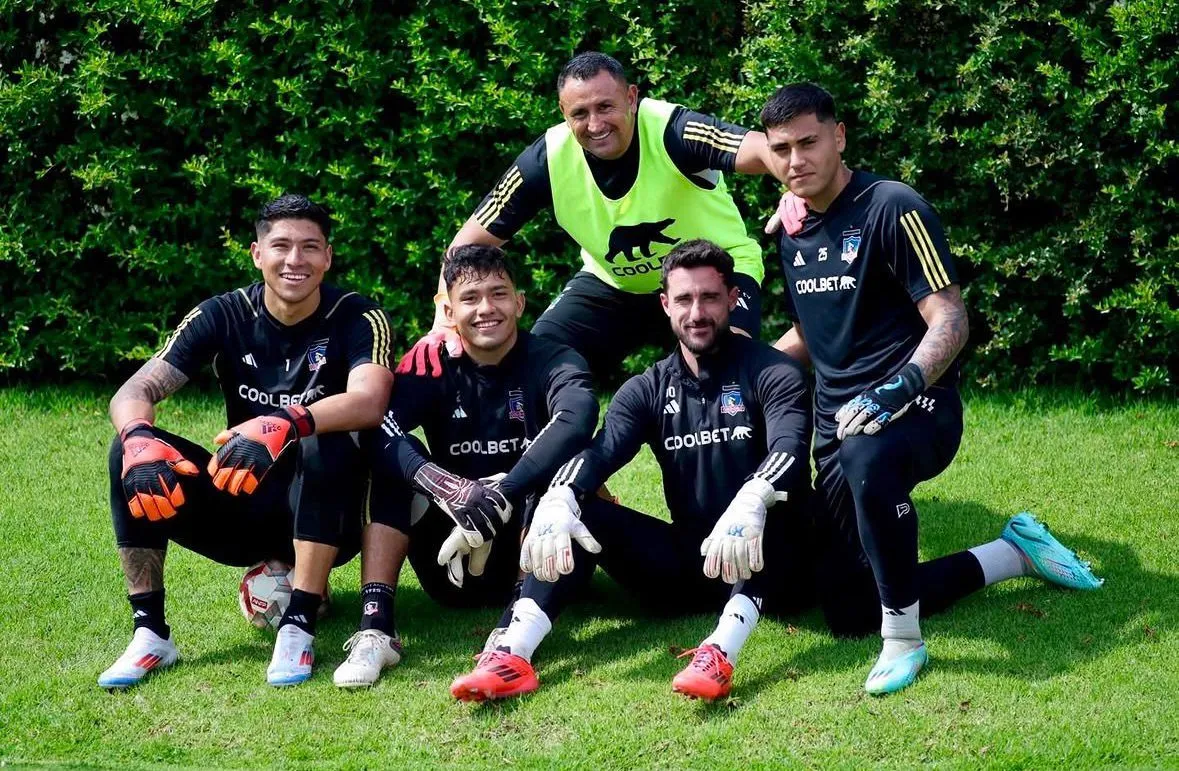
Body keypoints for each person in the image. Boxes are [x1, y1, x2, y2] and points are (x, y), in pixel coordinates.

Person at [760, 83, 1103, 695]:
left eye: (808, 143)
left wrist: (897, 388)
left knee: (870, 455)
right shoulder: (790, 230)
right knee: (845, 611)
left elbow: (951, 318)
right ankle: (1011, 554)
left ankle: (905, 642)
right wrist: (747, 369)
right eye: (781, 149)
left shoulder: (894, 207)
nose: (795, 162)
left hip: (919, 405)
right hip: (835, 424)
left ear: (839, 137)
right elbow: (809, 334)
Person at [448, 240, 814, 703]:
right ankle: (513, 655)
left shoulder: (773, 371)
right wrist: (560, 498)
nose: (696, 312)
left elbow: (790, 448)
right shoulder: (647, 387)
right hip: (694, 563)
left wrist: (753, 496)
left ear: (734, 300)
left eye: (710, 298)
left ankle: (720, 652)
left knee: (772, 504)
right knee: (571, 506)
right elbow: (601, 453)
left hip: (778, 563)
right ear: (665, 304)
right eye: (683, 299)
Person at [99, 194, 394, 689]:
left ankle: (299, 623)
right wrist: (136, 434)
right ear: (257, 253)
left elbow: (371, 401)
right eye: (280, 246)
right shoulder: (223, 313)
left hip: (328, 514)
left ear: (328, 256)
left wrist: (285, 422)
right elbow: (137, 389)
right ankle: (150, 632)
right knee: (129, 454)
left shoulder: (358, 316)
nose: (294, 260)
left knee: (327, 441)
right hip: (240, 494)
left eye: (309, 247)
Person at [399, 51, 784, 380]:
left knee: (728, 369)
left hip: (714, 275)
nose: (596, 124)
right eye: (580, 113)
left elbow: (761, 147)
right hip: (612, 283)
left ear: (631, 97)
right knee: (534, 364)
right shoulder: (546, 160)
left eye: (605, 107)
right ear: (563, 114)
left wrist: (794, 191)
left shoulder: (672, 128)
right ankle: (539, 465)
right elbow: (465, 246)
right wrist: (444, 323)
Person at [332, 244, 599, 688]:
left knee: (554, 469)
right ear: (449, 311)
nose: (486, 309)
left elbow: (578, 418)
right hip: (453, 556)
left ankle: (515, 624)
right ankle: (375, 628)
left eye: (498, 294)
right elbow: (378, 430)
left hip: (538, 552)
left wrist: (501, 492)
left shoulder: (554, 357)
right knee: (395, 468)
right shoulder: (431, 363)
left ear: (519, 302)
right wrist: (449, 489)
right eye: (471, 298)